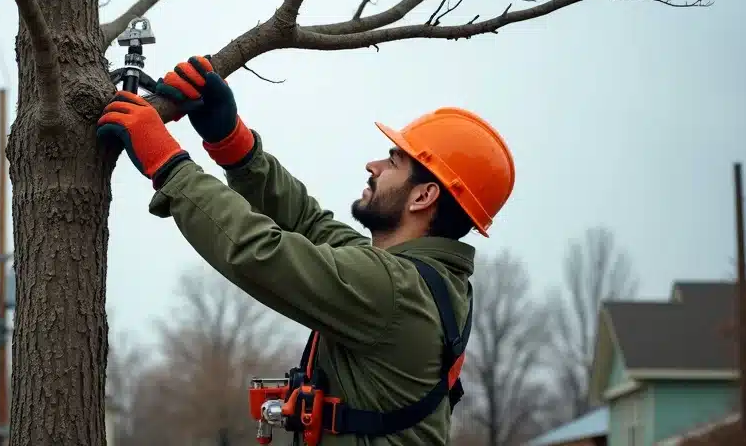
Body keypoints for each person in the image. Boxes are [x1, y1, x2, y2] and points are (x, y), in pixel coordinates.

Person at [96, 55, 515, 445]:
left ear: (423, 196)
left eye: (394, 161)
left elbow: (262, 252)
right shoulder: (415, 280)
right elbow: (307, 224)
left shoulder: (393, 289)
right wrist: (232, 143)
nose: (374, 166)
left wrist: (167, 163)